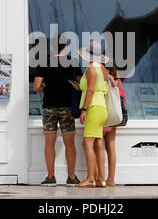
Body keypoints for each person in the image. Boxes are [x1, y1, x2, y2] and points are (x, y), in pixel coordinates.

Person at [33, 35, 82, 187]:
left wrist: (47, 90)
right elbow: (80, 84)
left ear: (52, 47)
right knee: (70, 143)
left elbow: (36, 86)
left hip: (49, 106)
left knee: (49, 143)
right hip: (67, 106)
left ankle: (50, 177)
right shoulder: (72, 62)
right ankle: (71, 177)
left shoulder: (44, 61)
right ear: (65, 47)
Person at [75, 41, 109, 187]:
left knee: (87, 143)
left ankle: (90, 178)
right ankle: (101, 178)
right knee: (98, 143)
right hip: (102, 107)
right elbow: (104, 89)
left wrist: (84, 109)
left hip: (93, 107)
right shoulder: (103, 69)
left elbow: (90, 89)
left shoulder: (91, 69)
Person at [95, 62, 126, 187]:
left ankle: (99, 177)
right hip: (114, 116)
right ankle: (111, 179)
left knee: (97, 146)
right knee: (111, 147)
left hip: (104, 115)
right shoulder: (118, 81)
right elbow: (123, 98)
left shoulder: (104, 79)